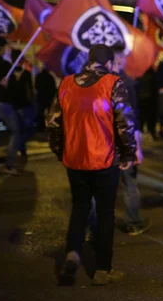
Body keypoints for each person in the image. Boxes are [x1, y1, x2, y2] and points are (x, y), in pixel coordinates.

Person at [46, 44, 137, 286]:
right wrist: (128, 153)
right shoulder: (112, 83)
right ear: (108, 63)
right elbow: (124, 123)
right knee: (106, 214)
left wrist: (59, 150)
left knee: (79, 208)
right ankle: (102, 270)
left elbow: (53, 122)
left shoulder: (65, 83)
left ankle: (73, 253)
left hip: (74, 159)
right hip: (104, 159)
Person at [111, 47, 151, 236]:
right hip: (124, 142)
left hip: (104, 143)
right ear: (119, 60)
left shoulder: (100, 83)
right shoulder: (126, 83)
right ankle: (133, 222)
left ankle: (93, 226)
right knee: (129, 184)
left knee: (101, 186)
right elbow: (132, 118)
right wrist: (137, 148)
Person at [0, 36, 21, 177]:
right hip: (3, 103)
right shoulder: (5, 66)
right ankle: (9, 164)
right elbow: (14, 87)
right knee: (16, 131)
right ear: (2, 48)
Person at [8, 49, 35, 169]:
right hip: (25, 105)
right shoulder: (26, 74)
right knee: (28, 129)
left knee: (19, 130)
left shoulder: (8, 73)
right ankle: (21, 148)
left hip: (13, 106)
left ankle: (21, 152)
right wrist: (33, 101)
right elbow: (29, 90)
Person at [35, 65, 57, 133]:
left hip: (41, 97)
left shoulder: (38, 76)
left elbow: (36, 86)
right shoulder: (50, 77)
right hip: (49, 97)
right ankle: (49, 126)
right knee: (50, 112)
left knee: (40, 112)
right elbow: (53, 87)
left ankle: (40, 127)